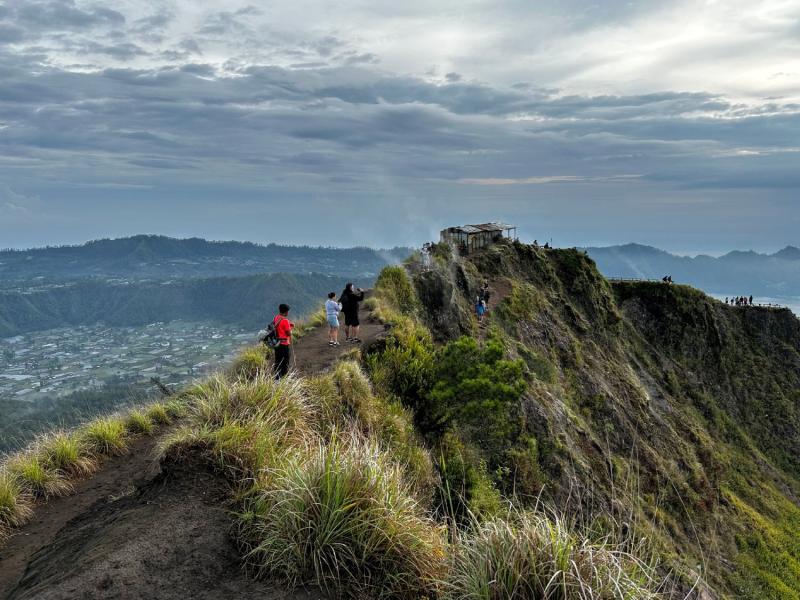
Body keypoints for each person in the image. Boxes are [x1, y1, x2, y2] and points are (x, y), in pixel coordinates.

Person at [272, 303, 294, 379]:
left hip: (277, 344)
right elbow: (288, 333)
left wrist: (288, 325)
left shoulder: (276, 318)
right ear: (286, 311)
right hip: (284, 344)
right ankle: (284, 379)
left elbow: (278, 327)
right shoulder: (285, 321)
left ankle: (276, 379)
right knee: (285, 363)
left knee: (277, 362)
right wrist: (291, 329)